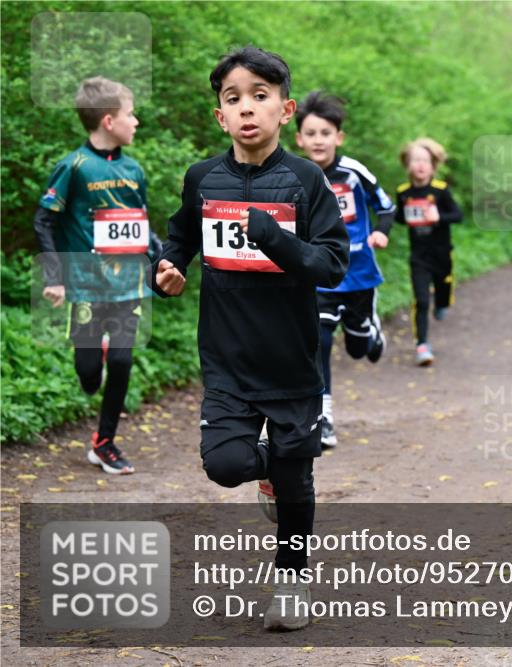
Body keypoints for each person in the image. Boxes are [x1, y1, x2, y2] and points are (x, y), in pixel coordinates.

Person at [151, 46, 349, 631]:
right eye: (233, 98)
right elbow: (179, 237)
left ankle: (292, 582)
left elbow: (332, 264)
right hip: (227, 357)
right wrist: (167, 270)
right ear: (219, 115)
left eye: (260, 97)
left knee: (296, 478)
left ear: (284, 109)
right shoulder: (202, 178)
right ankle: (270, 465)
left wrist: (276, 241)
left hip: (290, 359)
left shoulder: (306, 180)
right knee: (224, 465)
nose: (246, 109)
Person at [34, 76, 163, 475]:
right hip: (86, 284)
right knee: (89, 377)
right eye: (130, 114)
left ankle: (104, 442)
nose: (136, 121)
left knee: (123, 361)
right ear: (109, 121)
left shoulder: (134, 169)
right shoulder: (73, 167)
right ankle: (94, 360)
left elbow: (138, 223)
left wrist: (158, 253)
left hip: (128, 284)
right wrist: (54, 277)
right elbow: (44, 221)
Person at [294, 91, 395, 447]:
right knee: (318, 342)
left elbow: (386, 206)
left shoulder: (354, 173)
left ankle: (369, 330)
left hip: (359, 274)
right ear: (299, 139)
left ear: (339, 137)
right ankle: (324, 419)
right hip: (319, 276)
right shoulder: (296, 176)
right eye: (311, 133)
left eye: (325, 133)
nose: (318, 140)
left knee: (357, 349)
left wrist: (381, 233)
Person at [395, 138, 462, 366]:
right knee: (421, 301)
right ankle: (422, 344)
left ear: (433, 166)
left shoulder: (441, 191)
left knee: (443, 291)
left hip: (442, 254)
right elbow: (399, 219)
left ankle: (442, 303)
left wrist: (438, 217)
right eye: (415, 161)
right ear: (408, 165)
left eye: (425, 161)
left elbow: (458, 216)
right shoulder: (403, 193)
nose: (420, 165)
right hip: (419, 257)